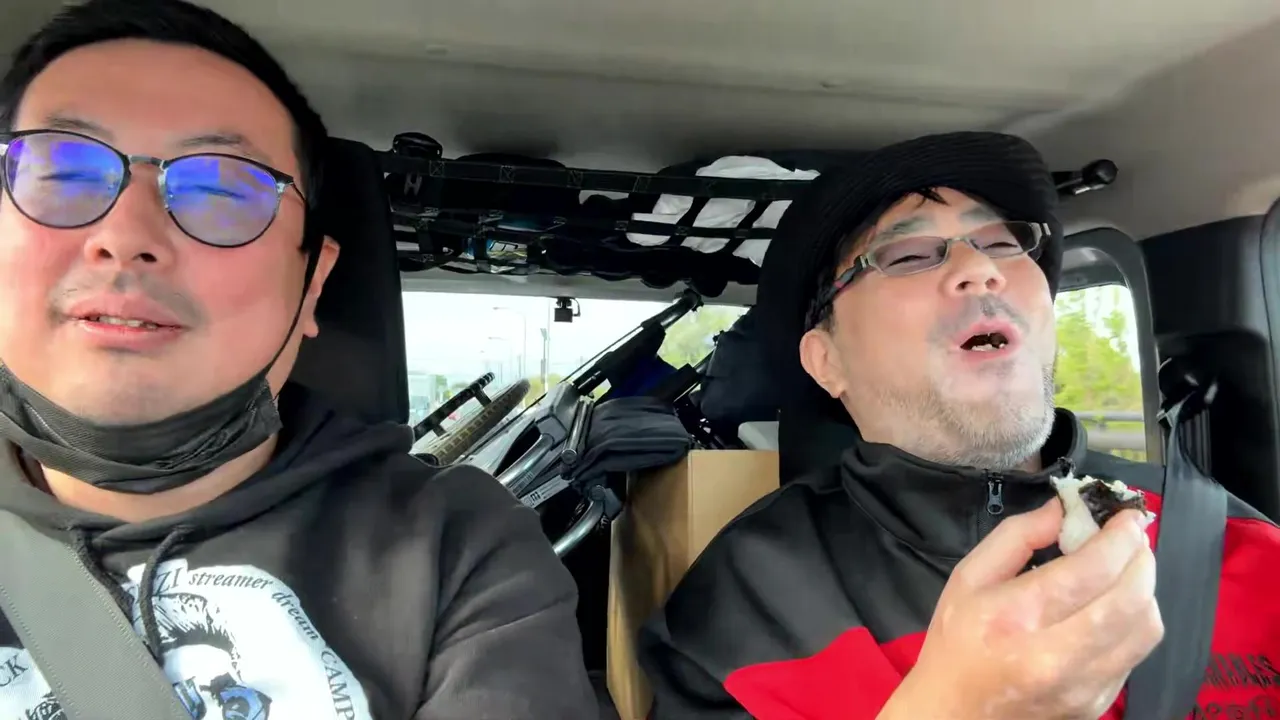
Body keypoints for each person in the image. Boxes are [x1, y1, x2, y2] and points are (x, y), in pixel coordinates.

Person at [0, 2, 597, 718]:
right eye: (62, 174)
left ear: (312, 283)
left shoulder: (453, 548)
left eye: (220, 190)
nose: (126, 235)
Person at [637, 132, 1280, 719]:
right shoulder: (743, 606)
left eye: (1003, 243)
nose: (982, 268)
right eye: (908, 254)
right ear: (827, 361)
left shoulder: (1238, 543)